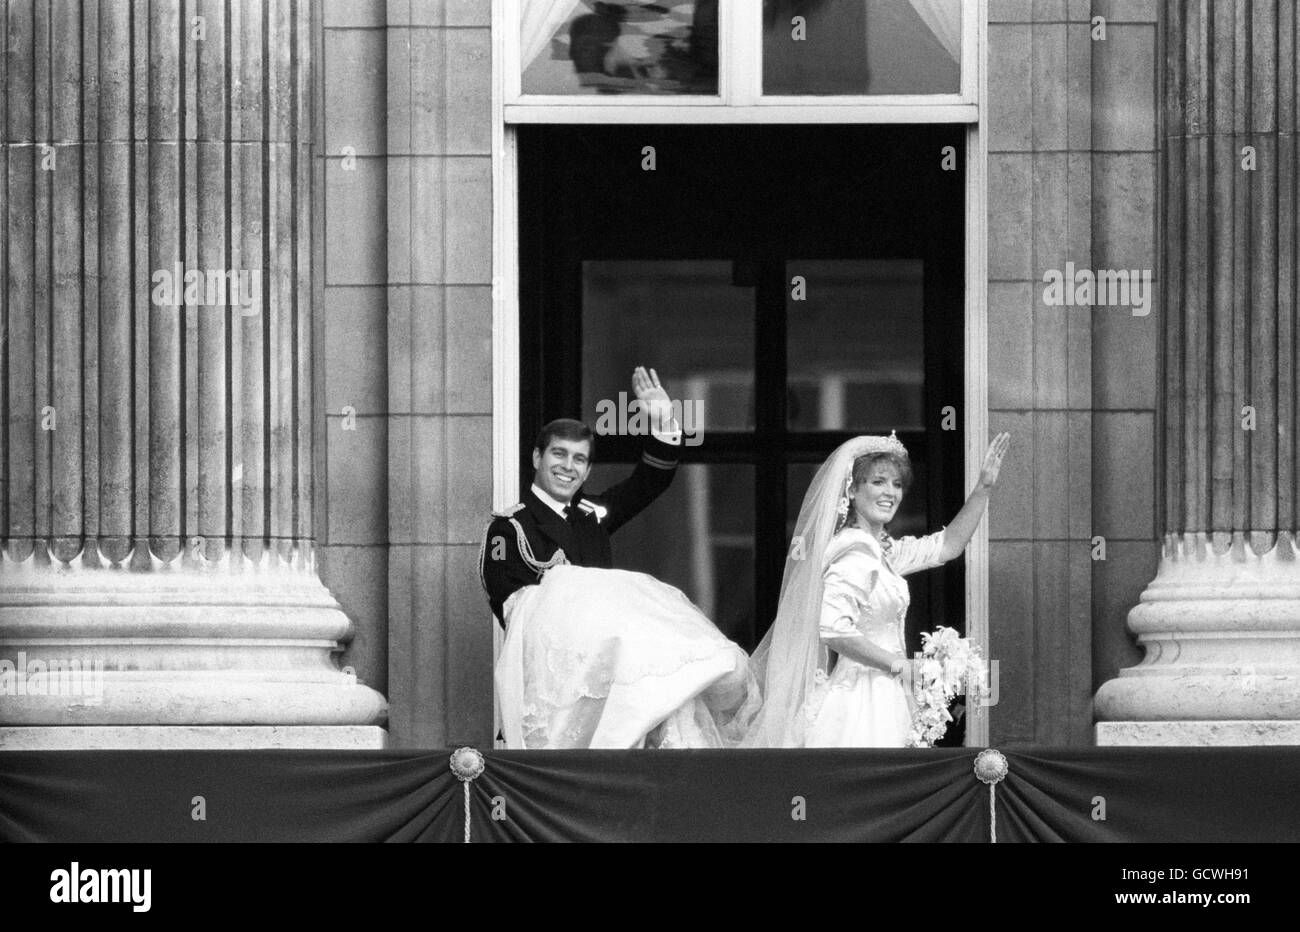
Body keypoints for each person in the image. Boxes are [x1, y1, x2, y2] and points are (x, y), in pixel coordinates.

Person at [480, 367, 757, 749]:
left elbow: (649, 482)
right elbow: (517, 611)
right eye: (558, 454)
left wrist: (661, 423)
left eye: (579, 459)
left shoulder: (592, 514)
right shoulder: (510, 528)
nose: (568, 466)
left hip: (607, 678)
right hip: (557, 684)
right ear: (536, 457)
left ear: (587, 469)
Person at [744, 431, 1011, 748]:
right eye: (878, 482)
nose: (890, 493)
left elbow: (947, 546)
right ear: (853, 490)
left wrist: (983, 489)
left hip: (886, 693)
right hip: (862, 698)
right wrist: (900, 666)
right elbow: (833, 630)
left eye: (897, 485)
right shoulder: (854, 552)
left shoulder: (882, 552)